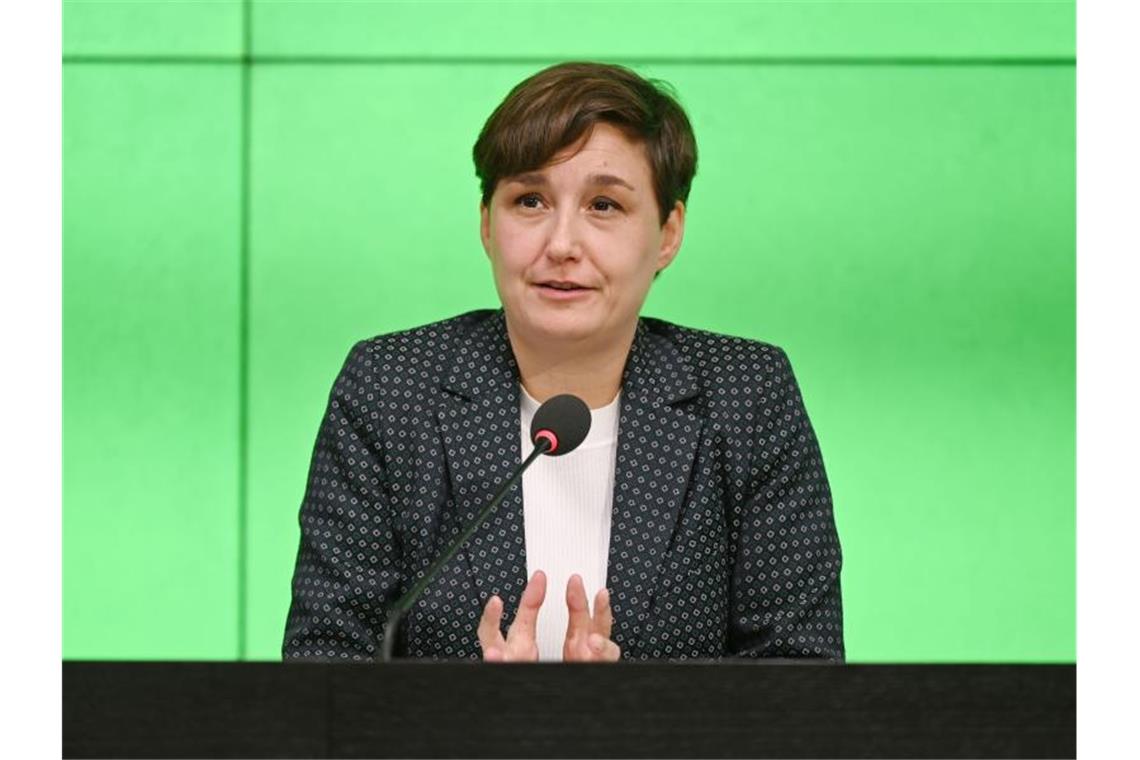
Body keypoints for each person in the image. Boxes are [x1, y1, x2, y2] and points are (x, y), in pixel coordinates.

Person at [282, 61, 844, 663]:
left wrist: (611, 719)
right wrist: (480, 719)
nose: (561, 245)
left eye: (604, 205)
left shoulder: (745, 397)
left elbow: (798, 680)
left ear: (668, 233)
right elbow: (325, 667)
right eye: (530, 200)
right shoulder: (392, 389)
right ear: (486, 225)